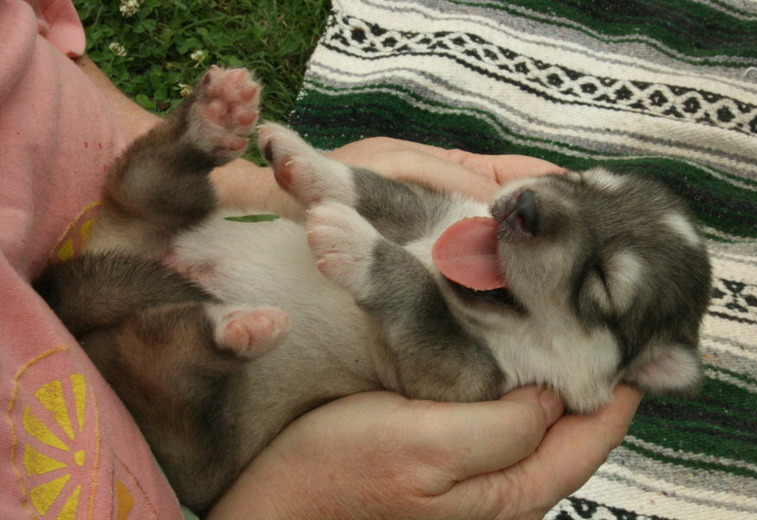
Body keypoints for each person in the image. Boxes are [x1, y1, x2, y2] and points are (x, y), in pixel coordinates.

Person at [0, 1, 642, 519]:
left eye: (602, 274)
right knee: (190, 438)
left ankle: (185, 166)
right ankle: (179, 333)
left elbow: (31, 42)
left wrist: (253, 187)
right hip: (124, 384)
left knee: (143, 205)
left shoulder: (527, 354)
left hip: (141, 315)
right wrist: (290, 503)